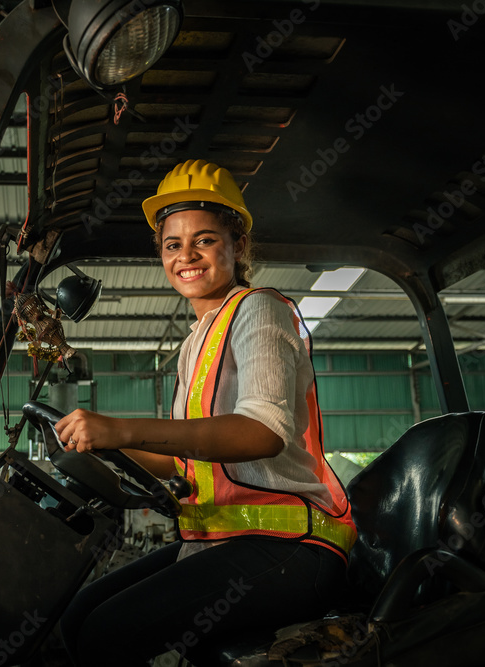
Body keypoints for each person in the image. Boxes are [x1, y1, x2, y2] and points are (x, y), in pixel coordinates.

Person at [55, 159, 356, 665]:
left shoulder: (261, 308)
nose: (186, 255)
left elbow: (262, 433)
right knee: (76, 615)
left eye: (205, 239)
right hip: (217, 540)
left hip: (291, 545)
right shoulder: (197, 340)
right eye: (172, 244)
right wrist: (105, 444)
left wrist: (121, 427)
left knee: (108, 631)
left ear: (237, 245)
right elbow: (182, 461)